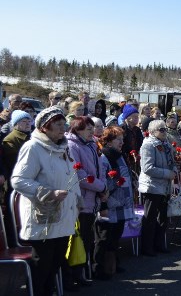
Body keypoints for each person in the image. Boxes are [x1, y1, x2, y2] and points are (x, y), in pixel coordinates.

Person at [11, 107, 80, 296]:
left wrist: (78, 197)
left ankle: (48, 291)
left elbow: (71, 175)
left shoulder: (63, 147)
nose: (63, 128)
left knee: (56, 261)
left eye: (63, 124)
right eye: (58, 125)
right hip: (43, 216)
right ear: (45, 128)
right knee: (43, 264)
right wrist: (47, 193)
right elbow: (19, 180)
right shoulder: (32, 148)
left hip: (64, 214)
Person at [66, 116, 107, 286]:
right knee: (77, 240)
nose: (92, 131)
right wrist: (101, 187)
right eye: (88, 129)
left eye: (92, 128)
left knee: (87, 238)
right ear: (77, 129)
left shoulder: (91, 144)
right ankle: (71, 277)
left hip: (93, 198)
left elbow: (100, 168)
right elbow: (80, 175)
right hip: (80, 200)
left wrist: (103, 186)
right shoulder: (72, 145)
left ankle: (81, 274)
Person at [94, 126, 135, 280]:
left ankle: (113, 264)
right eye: (119, 139)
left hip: (121, 202)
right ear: (109, 141)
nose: (122, 142)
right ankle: (98, 268)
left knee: (115, 236)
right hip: (109, 204)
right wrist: (103, 205)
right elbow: (102, 180)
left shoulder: (119, 155)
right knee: (104, 237)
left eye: (122, 139)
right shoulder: (104, 157)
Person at [138, 120, 177, 256]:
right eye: (161, 129)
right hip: (152, 186)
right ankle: (147, 247)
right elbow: (147, 168)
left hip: (165, 186)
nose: (165, 131)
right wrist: (167, 174)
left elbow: (172, 162)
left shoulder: (166, 144)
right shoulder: (148, 145)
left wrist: (175, 171)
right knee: (150, 218)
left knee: (163, 217)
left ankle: (159, 244)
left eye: (165, 129)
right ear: (153, 132)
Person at [1, 110, 32, 247]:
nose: (27, 124)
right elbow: (16, 163)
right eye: (23, 122)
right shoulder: (10, 140)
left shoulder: (32, 137)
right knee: (15, 216)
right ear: (15, 124)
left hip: (30, 183)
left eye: (28, 121)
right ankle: (16, 242)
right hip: (17, 184)